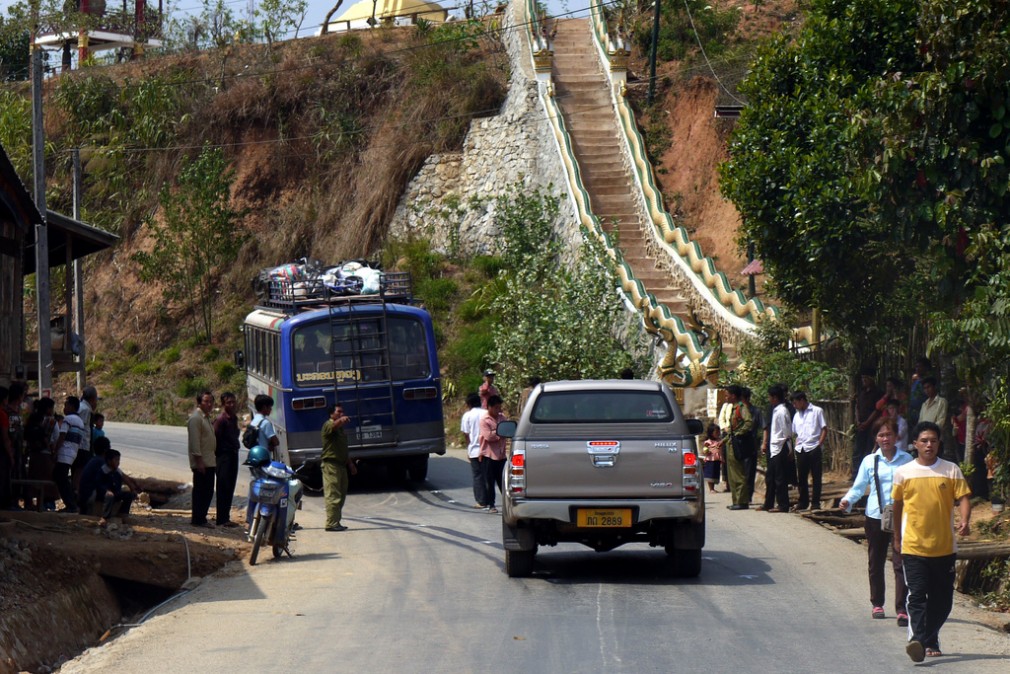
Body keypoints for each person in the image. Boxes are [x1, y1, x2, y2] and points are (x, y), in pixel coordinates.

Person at [892, 421, 971, 662]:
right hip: (914, 546)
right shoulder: (904, 472)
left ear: (938, 443)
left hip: (944, 547)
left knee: (943, 601)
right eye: (924, 441)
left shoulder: (950, 470)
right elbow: (897, 507)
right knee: (916, 595)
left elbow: (964, 498)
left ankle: (927, 636)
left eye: (933, 440)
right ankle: (917, 639)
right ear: (914, 444)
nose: (929, 445)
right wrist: (897, 537)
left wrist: (965, 520)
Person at [839, 418, 913, 625]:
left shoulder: (907, 460)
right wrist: (847, 500)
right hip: (875, 516)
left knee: (901, 563)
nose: (885, 439)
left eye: (889, 434)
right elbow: (859, 486)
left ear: (896, 436)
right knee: (876, 561)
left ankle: (902, 609)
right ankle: (877, 603)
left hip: (901, 518)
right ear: (876, 438)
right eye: (881, 435)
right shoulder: (869, 461)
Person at [321, 404, 357, 531]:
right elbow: (333, 426)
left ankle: (336, 521)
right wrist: (341, 420)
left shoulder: (340, 430)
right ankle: (331, 523)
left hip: (341, 465)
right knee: (333, 495)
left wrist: (350, 464)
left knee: (341, 494)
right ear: (332, 414)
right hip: (331, 465)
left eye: (342, 412)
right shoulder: (328, 425)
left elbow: (342, 448)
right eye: (339, 412)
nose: (342, 414)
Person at [791, 391, 827, 511]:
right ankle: (803, 502)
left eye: (796, 403)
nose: (794, 406)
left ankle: (815, 503)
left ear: (802, 400)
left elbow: (824, 429)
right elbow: (795, 432)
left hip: (813, 447)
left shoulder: (817, 411)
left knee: (816, 477)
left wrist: (819, 444)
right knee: (801, 477)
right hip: (801, 448)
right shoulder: (797, 415)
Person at [758, 385, 790, 512]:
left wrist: (788, 448)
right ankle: (768, 503)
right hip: (774, 447)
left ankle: (783, 505)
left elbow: (786, 431)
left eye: (770, 397)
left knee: (780, 478)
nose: (769, 399)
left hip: (780, 447)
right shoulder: (776, 410)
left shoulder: (782, 411)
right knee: (770, 477)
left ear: (775, 397)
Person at [188, 390, 217, 527]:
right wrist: (199, 462)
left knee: (208, 491)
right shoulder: (196, 419)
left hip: (209, 461)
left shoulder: (206, 418)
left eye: (211, 401)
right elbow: (195, 442)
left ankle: (201, 517)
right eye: (206, 401)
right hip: (202, 463)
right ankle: (198, 519)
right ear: (199, 402)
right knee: (201, 491)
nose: (209, 404)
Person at [53, 396, 86, 513]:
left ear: (72, 406)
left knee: (60, 478)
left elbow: (62, 436)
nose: (64, 408)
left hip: (64, 452)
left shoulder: (68, 419)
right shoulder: (80, 422)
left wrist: (55, 451)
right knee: (62, 477)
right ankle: (71, 503)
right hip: (73, 453)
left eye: (66, 405)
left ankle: (71, 505)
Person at [92, 449, 141, 527]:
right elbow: (98, 484)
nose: (118, 462)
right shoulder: (103, 471)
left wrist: (133, 489)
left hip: (116, 492)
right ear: (109, 461)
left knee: (129, 495)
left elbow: (125, 479)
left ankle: (123, 514)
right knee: (110, 496)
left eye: (119, 460)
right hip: (104, 493)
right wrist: (106, 491)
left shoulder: (117, 471)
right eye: (116, 460)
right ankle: (105, 517)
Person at [723, 385, 754, 510]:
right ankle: (736, 501)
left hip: (737, 444)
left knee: (739, 475)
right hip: (731, 443)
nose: (726, 397)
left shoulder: (741, 407)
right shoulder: (733, 408)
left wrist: (738, 433)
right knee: (732, 475)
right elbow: (731, 430)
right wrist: (723, 441)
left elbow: (748, 422)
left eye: (727, 394)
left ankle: (742, 501)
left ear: (733, 395)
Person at [213, 392, 241, 527]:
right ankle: (221, 519)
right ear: (223, 404)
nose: (232, 404)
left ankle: (226, 517)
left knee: (230, 487)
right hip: (223, 457)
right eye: (228, 402)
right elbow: (215, 438)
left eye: (233, 402)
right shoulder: (221, 420)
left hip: (233, 455)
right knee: (223, 487)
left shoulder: (233, 418)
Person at [479, 395, 508, 514]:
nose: (498, 410)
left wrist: (498, 433)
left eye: (499, 407)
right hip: (489, 455)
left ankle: (507, 504)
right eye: (496, 407)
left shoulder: (502, 418)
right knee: (490, 482)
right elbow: (488, 436)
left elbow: (507, 430)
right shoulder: (484, 420)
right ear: (489, 407)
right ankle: (491, 504)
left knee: (504, 481)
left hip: (501, 455)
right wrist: (500, 433)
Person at [853, 368, 883, 480]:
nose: (864, 380)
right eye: (862, 378)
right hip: (861, 426)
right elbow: (857, 407)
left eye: (866, 378)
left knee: (869, 451)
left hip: (871, 426)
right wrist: (858, 421)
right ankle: (856, 475)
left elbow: (877, 410)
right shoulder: (861, 392)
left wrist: (867, 422)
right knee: (857, 451)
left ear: (872, 379)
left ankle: (867, 475)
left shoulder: (878, 393)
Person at [460, 393, 487, 508]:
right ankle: (490, 500)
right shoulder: (486, 413)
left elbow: (466, 434)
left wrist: (469, 447)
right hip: (487, 450)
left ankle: (481, 501)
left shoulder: (467, 415)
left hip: (474, 450)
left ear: (469, 404)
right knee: (488, 476)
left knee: (478, 476)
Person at [78, 436, 111, 515]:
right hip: (89, 496)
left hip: (84, 495)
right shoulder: (101, 461)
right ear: (106, 450)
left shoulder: (94, 460)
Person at [74, 386, 99, 491]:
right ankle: (77, 491)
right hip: (82, 446)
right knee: (80, 470)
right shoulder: (86, 410)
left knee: (78, 470)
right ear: (93, 399)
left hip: (79, 445)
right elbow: (82, 428)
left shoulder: (81, 407)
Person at [917, 377, 948, 451]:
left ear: (934, 387)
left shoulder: (942, 402)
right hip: (923, 439)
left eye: (929, 387)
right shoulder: (924, 404)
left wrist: (929, 431)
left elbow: (941, 421)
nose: (927, 390)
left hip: (935, 440)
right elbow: (920, 422)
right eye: (925, 388)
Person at [251, 394, 280, 459]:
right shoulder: (265, 423)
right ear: (264, 407)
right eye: (270, 407)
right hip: (264, 458)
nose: (271, 409)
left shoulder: (254, 421)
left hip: (255, 457)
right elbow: (276, 442)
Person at [907, 357, 932, 427]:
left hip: (923, 413)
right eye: (916, 366)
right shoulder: (916, 381)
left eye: (920, 366)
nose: (917, 369)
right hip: (912, 413)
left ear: (926, 368)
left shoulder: (930, 382)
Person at [0, 386, 13, 510]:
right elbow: (5, 438)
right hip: (1, 453)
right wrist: (11, 456)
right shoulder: (3, 415)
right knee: (3, 479)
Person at [702, 424, 722, 494]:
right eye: (716, 432)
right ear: (711, 433)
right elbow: (705, 449)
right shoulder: (708, 442)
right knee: (710, 474)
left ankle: (713, 488)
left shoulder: (719, 441)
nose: (718, 433)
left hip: (717, 460)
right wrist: (706, 450)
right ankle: (711, 489)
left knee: (715, 474)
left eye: (719, 432)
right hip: (710, 460)